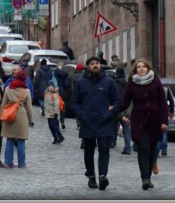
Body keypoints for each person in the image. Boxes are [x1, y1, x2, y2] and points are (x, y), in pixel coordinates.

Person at [114, 58, 169, 190]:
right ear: (135, 70)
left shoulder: (156, 81)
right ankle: (144, 178)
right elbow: (125, 103)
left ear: (148, 68)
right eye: (139, 67)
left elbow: (163, 102)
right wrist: (113, 109)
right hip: (139, 121)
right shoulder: (132, 83)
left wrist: (164, 121)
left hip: (155, 121)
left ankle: (148, 176)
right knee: (143, 149)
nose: (141, 68)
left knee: (153, 150)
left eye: (144, 66)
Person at [72, 55, 121, 191]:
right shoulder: (81, 83)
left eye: (97, 63)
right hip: (87, 122)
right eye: (92, 64)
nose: (95, 66)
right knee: (88, 151)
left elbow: (117, 101)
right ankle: (91, 176)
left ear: (100, 66)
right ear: (88, 67)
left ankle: (102, 176)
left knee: (104, 150)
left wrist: (110, 113)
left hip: (104, 122)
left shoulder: (109, 82)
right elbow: (74, 102)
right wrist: (81, 114)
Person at [1, 68, 36, 168]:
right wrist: (31, 120)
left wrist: (1, 117)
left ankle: (8, 162)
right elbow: (29, 107)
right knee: (21, 140)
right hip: (21, 116)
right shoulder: (26, 91)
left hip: (9, 115)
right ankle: (21, 163)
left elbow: (3, 104)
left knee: (10, 139)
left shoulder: (8, 89)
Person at [112, 67, 133, 155]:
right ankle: (128, 147)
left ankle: (112, 142)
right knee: (126, 129)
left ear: (116, 74)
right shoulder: (128, 84)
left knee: (113, 126)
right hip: (126, 109)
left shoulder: (114, 84)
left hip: (116, 108)